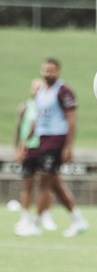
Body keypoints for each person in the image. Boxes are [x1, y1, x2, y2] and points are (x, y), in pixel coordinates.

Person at [18, 58, 89, 238]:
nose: (48, 73)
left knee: (44, 181)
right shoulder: (41, 92)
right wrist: (26, 141)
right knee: (55, 184)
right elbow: (37, 120)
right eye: (45, 70)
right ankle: (77, 219)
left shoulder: (63, 91)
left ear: (58, 71)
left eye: (52, 70)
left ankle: (36, 223)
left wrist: (68, 146)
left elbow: (71, 119)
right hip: (42, 139)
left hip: (57, 139)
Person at [13, 78, 57, 235]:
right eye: (35, 88)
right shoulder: (26, 106)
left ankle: (46, 216)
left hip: (45, 148)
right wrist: (17, 147)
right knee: (28, 184)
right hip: (29, 149)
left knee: (47, 185)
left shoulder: (50, 106)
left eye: (41, 88)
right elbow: (19, 127)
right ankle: (24, 217)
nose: (38, 91)